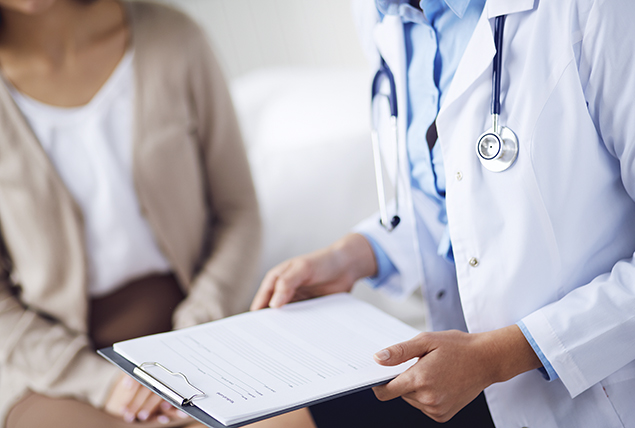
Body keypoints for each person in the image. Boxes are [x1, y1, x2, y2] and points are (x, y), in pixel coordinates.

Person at [250, 0, 635, 427]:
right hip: (458, 380)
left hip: (591, 390)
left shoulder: (596, 10)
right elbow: (462, 197)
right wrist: (356, 254)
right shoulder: (381, 15)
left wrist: (498, 356)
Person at [0, 0, 261, 427]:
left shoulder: (175, 40)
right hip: (52, 367)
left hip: (200, 328)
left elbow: (239, 213)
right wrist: (104, 384)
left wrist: (196, 337)